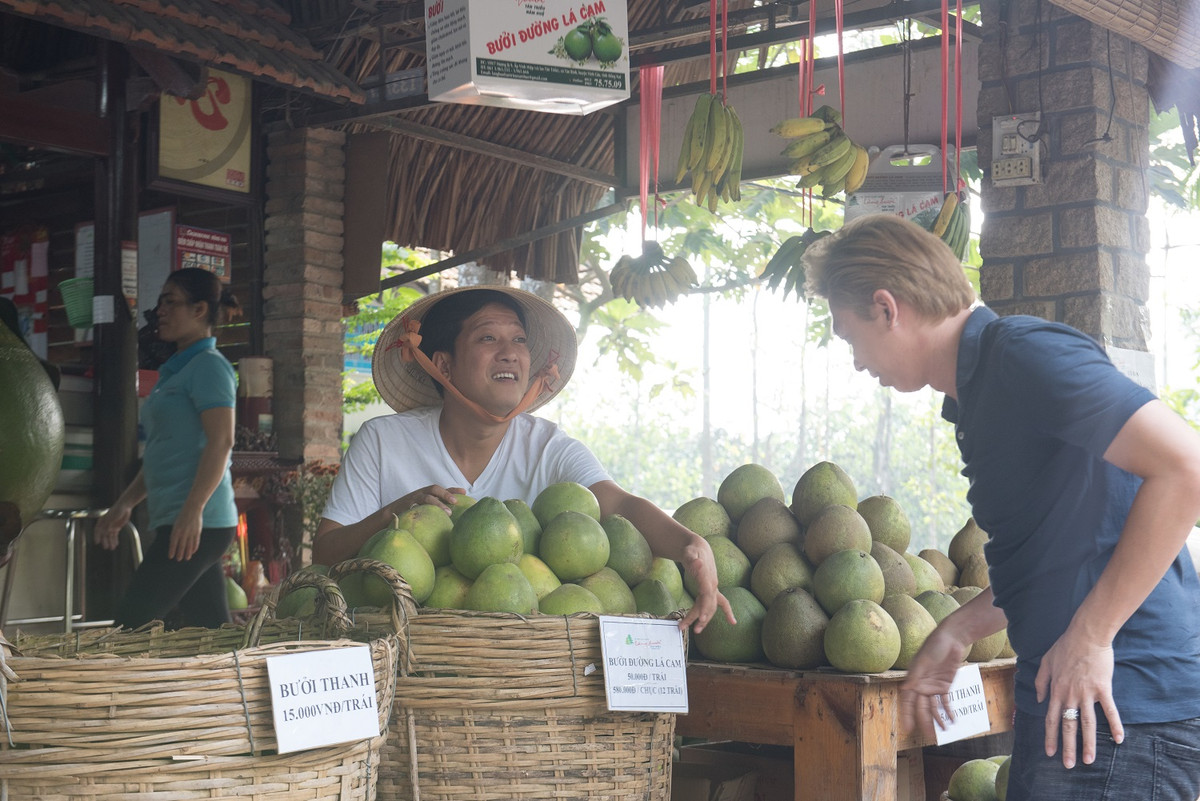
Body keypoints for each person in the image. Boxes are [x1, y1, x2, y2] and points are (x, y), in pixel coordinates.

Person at [802, 214, 1200, 800]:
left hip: (1123, 711)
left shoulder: (1023, 355)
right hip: (1069, 704)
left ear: (887, 309)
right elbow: (1055, 551)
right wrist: (958, 629)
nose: (858, 361)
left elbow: (1185, 467)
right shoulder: (979, 391)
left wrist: (1091, 637)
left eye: (849, 336)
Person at [314, 285, 734, 633]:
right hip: (407, 658)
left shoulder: (548, 447)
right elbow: (326, 550)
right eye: (487, 338)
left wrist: (691, 546)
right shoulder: (384, 442)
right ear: (442, 364)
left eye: (518, 339)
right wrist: (396, 513)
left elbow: (619, 505)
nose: (510, 352)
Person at [95, 268, 241, 629]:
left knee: (131, 624)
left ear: (199, 310)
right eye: (160, 301)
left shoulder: (210, 367)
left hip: (197, 523)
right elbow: (163, 453)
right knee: (208, 632)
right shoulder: (174, 373)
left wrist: (193, 511)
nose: (160, 310)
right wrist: (125, 503)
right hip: (181, 520)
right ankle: (233, 685)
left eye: (170, 301)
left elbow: (222, 441)